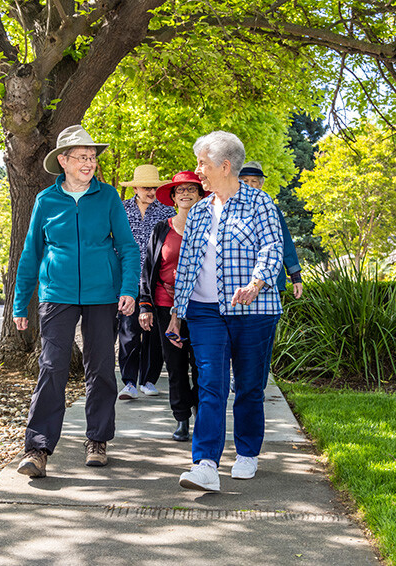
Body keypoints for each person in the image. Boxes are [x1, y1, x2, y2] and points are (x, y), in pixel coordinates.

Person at [13, 125, 139, 478]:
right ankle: (37, 448)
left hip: (102, 294)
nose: (89, 163)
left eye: (93, 157)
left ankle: (97, 440)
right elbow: (30, 254)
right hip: (58, 294)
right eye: (82, 157)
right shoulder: (46, 201)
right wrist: (20, 304)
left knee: (99, 369)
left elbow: (128, 248)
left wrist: (128, 289)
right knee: (51, 367)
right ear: (63, 161)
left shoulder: (109, 197)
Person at [166, 131, 283, 492]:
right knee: (210, 386)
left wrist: (257, 282)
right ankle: (204, 464)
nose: (197, 171)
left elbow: (272, 248)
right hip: (205, 312)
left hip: (254, 310)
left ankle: (247, 452)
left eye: (202, 163)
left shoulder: (260, 204)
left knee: (249, 386)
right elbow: (187, 264)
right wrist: (176, 313)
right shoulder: (199, 210)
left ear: (225, 165)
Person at [138, 171, 208, 441]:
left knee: (202, 365)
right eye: (180, 190)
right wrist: (145, 305)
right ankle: (182, 419)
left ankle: (202, 414)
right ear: (174, 197)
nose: (186, 194)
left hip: (201, 306)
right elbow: (148, 269)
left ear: (201, 195)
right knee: (176, 366)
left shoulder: (209, 227)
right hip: (166, 308)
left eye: (192, 189)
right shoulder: (161, 229)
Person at [117, 165, 175, 400]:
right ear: (136, 188)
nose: (151, 191)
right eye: (146, 187)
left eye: (154, 187)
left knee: (152, 333)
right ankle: (129, 382)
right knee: (128, 330)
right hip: (128, 279)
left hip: (154, 280)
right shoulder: (121, 210)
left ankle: (148, 379)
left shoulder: (167, 212)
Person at [238, 161, 303, 299]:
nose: (249, 185)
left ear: (261, 184)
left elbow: (284, 240)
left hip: (269, 280)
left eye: (254, 181)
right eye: (244, 181)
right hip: (240, 278)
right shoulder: (230, 208)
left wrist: (295, 276)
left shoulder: (271, 208)